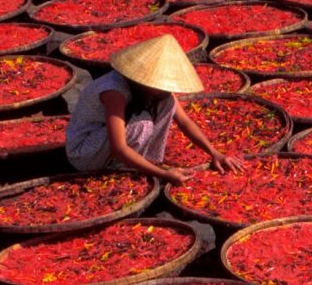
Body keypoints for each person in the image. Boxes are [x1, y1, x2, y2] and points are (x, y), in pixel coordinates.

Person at [65, 34, 243, 184]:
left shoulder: (158, 93)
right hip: (85, 153)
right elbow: (118, 147)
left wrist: (215, 153)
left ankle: (142, 161)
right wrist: (163, 174)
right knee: (141, 125)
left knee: (167, 103)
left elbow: (184, 122)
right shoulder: (114, 92)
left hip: (108, 146)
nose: (164, 88)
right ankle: (119, 168)